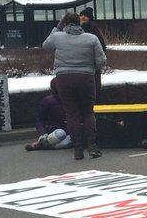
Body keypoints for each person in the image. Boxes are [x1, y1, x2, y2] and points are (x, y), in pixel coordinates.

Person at [42, 10, 106, 161]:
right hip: (85, 78)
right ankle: (92, 146)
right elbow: (101, 61)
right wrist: (91, 68)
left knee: (71, 113)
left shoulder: (57, 37)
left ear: (64, 23)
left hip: (64, 78)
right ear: (79, 23)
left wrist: (58, 26)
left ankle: (78, 150)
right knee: (88, 112)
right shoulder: (91, 39)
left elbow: (46, 45)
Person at [25, 80, 71, 151]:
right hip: (52, 132)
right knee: (61, 133)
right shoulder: (48, 101)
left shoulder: (71, 100)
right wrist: (44, 133)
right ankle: (44, 142)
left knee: (70, 141)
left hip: (68, 133)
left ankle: (42, 145)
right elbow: (39, 120)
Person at [79, 7, 107, 95]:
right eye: (81, 15)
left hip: (91, 63)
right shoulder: (77, 28)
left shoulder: (93, 29)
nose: (83, 17)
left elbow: (101, 46)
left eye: (86, 16)